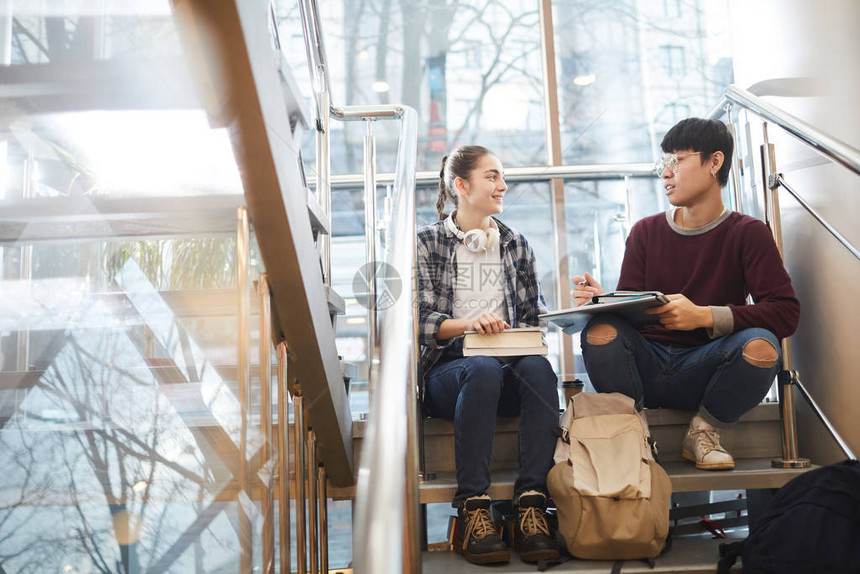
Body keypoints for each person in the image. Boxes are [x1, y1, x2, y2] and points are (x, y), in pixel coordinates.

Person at [572, 118, 800, 471]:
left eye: (676, 161)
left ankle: (704, 431)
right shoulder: (645, 232)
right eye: (664, 163)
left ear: (714, 162)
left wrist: (706, 315)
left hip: (707, 369)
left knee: (762, 344)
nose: (666, 173)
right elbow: (633, 312)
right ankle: (634, 433)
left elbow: (785, 312)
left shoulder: (748, 233)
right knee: (600, 331)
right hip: (645, 367)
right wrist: (607, 302)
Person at [417, 145, 560, 565]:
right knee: (480, 368)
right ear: (462, 186)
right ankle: (473, 506)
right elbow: (419, 322)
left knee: (538, 368)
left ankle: (531, 503)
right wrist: (470, 324)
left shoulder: (515, 244)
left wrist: (572, 308)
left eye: (502, 176)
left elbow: (536, 319)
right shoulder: (426, 243)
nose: (503, 185)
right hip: (451, 375)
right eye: (493, 176)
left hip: (509, 371)